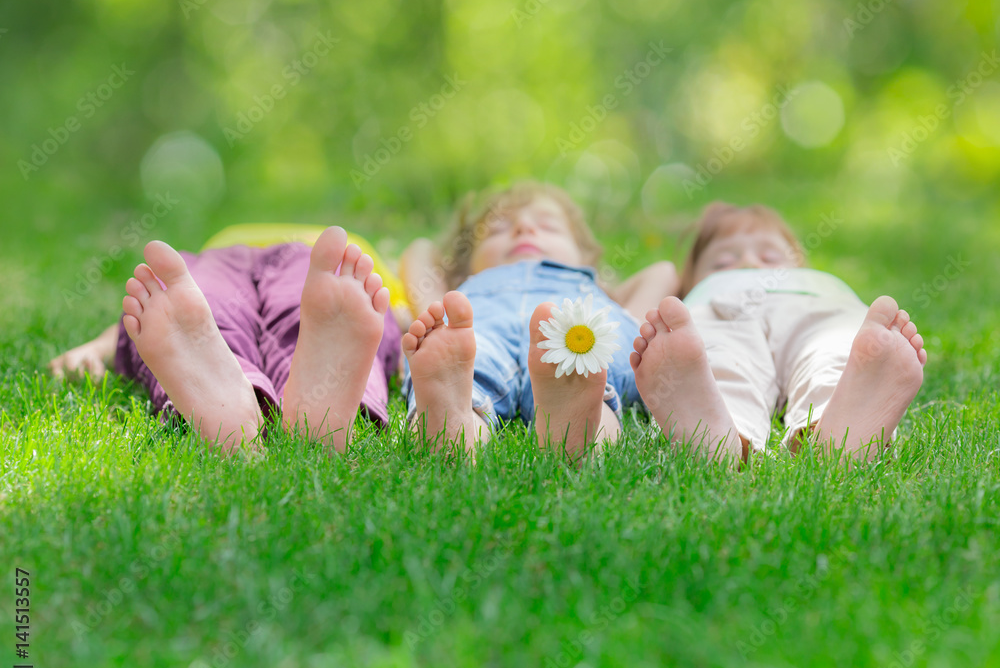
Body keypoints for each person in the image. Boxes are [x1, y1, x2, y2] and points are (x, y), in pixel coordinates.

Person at [49, 227, 402, 454]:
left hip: (265, 262)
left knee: (211, 314)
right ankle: (318, 416)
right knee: (194, 313)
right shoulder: (363, 264)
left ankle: (237, 405)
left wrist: (98, 346)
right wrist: (96, 347)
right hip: (317, 266)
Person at [629, 202, 927, 465]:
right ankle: (719, 438)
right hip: (722, 308)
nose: (748, 263)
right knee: (716, 357)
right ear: (690, 283)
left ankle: (836, 432)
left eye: (770, 256)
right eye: (722, 263)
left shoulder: (816, 282)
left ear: (798, 264)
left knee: (834, 351)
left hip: (813, 307)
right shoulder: (701, 296)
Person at [398, 181, 677, 457]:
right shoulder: (465, 292)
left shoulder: (587, 282)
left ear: (583, 258)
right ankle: (452, 424)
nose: (524, 229)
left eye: (549, 226)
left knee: (588, 366)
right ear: (467, 265)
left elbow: (662, 272)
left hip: (577, 332)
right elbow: (420, 251)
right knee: (470, 364)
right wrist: (433, 317)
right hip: (477, 331)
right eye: (498, 229)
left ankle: (581, 417)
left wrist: (605, 290)